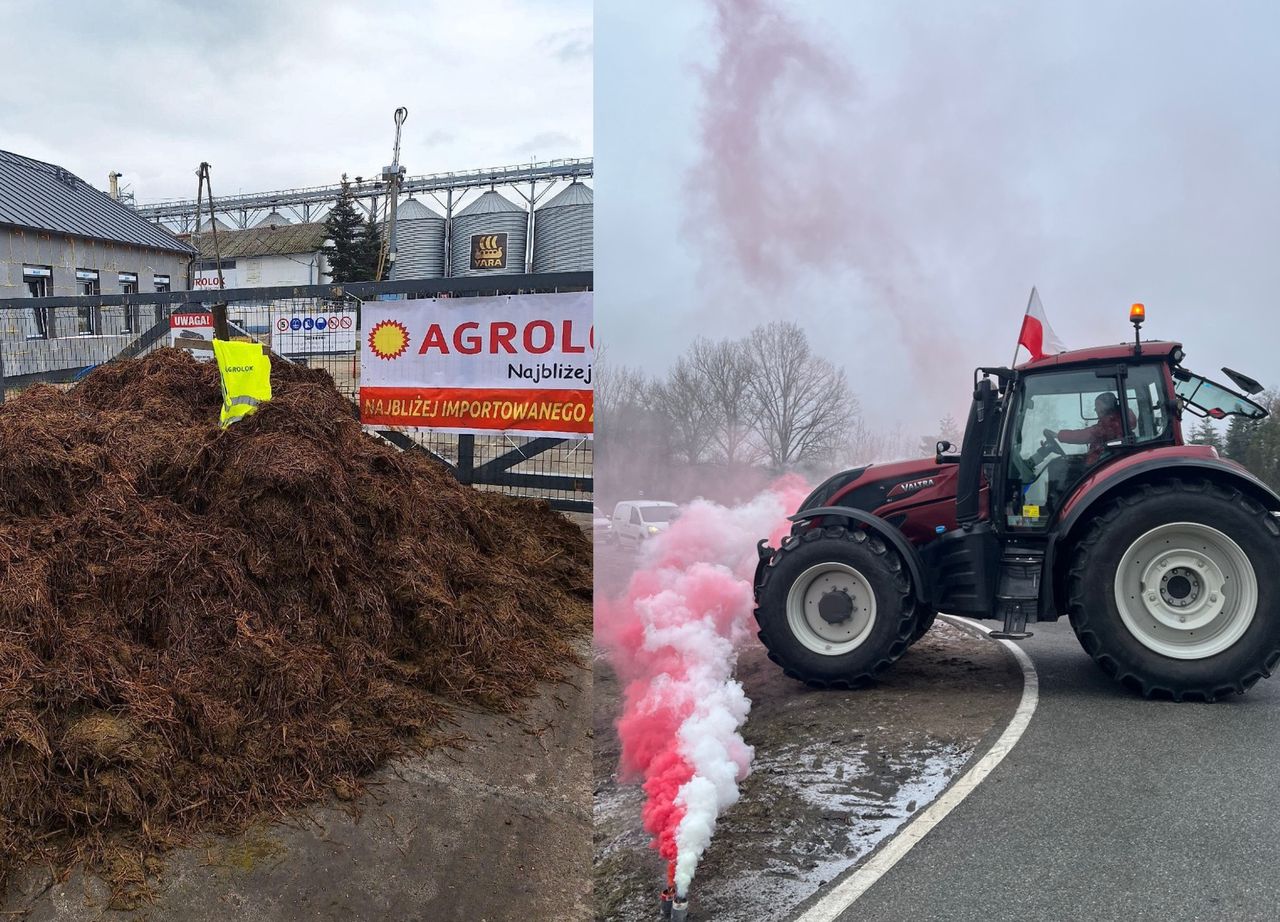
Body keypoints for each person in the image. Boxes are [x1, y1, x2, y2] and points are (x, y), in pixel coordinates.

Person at [1046, 392, 1135, 465]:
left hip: (1105, 463)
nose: (1095, 410)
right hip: (1104, 459)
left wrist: (1058, 435)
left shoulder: (1110, 424)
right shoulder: (1115, 421)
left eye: (1097, 406)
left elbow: (1085, 435)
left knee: (1058, 466)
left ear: (1106, 407)